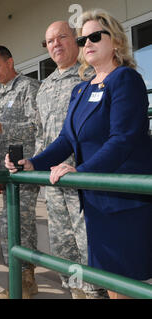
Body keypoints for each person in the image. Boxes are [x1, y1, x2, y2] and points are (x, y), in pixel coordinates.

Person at [5, 9, 152, 299]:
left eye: (96, 36)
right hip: (96, 202)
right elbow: (66, 140)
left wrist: (80, 172)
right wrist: (33, 162)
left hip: (124, 202)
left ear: (117, 41)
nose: (88, 43)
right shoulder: (81, 91)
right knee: (110, 282)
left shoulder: (125, 79)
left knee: (127, 285)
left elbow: (122, 139)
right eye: (83, 38)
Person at [34, 20, 105, 299]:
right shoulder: (44, 86)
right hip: (53, 182)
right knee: (63, 244)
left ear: (76, 40)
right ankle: (77, 292)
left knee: (88, 242)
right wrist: (34, 165)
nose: (56, 44)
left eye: (62, 37)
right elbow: (40, 133)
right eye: (50, 41)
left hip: (83, 178)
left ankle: (96, 293)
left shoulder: (90, 76)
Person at [0, 45, 41, 299]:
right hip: (9, 170)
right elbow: (1, 137)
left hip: (27, 167)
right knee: (6, 224)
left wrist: (2, 126)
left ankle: (26, 280)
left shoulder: (28, 87)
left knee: (20, 223)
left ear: (10, 62)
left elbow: (37, 125)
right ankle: (18, 276)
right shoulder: (2, 94)